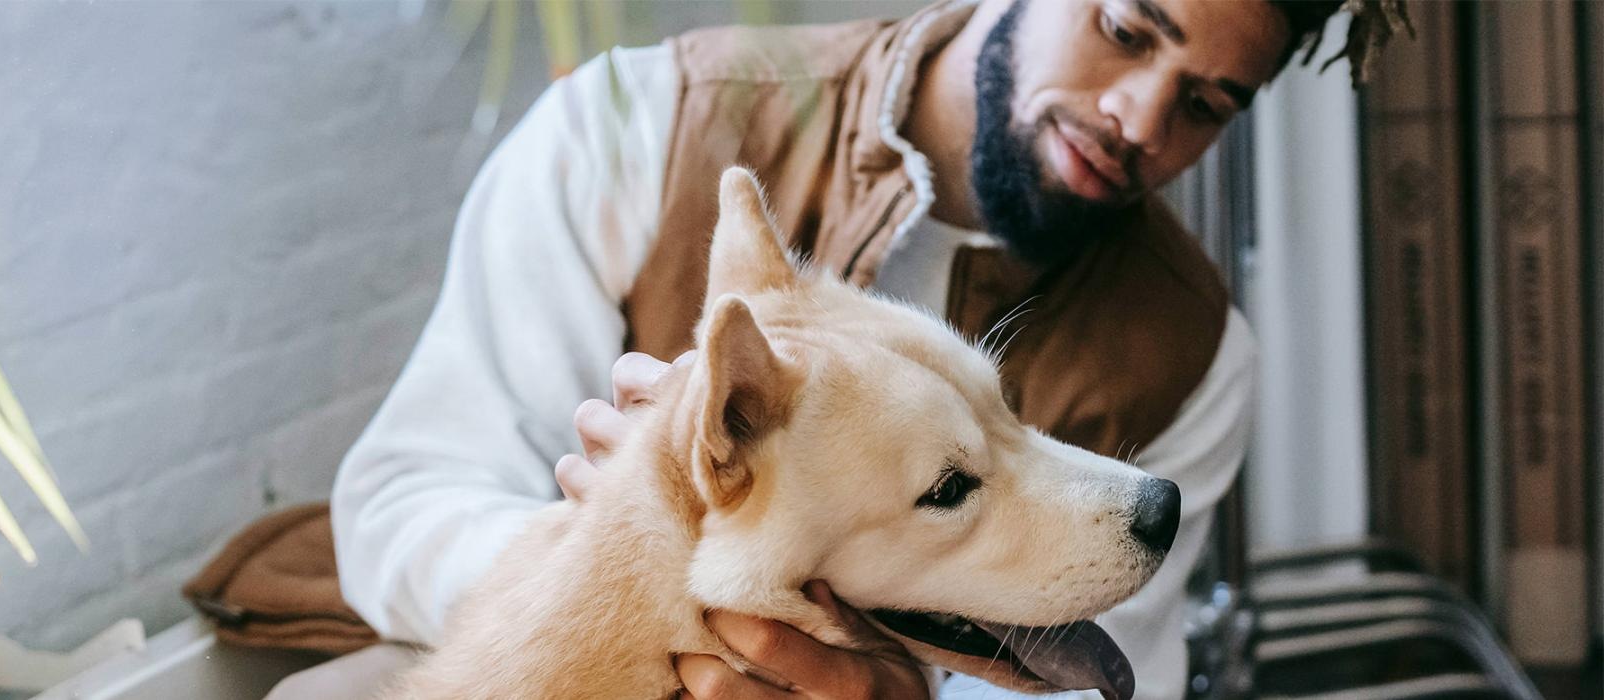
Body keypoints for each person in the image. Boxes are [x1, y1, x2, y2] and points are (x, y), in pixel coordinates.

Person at [318, 1, 1409, 698]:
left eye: (1205, 105)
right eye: (1126, 29)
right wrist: (623, 564)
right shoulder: (634, 123)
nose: (1139, 119)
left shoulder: (1193, 348)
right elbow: (403, 499)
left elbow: (1106, 672)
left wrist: (887, 691)